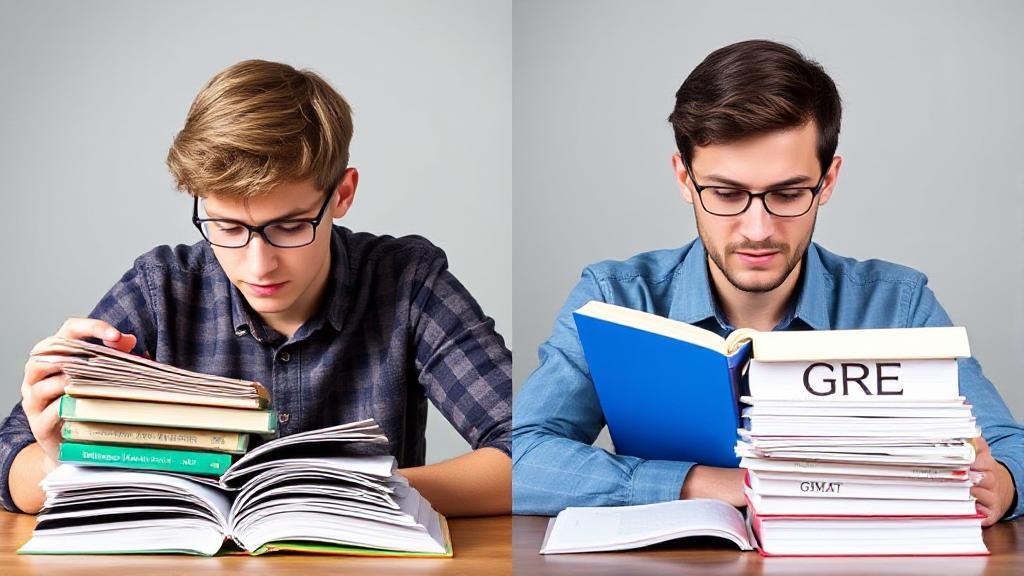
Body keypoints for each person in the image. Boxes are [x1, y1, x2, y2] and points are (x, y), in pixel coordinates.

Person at [511, 40, 1022, 526]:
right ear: (684, 178)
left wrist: (1004, 481)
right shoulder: (615, 297)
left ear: (829, 180)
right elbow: (523, 457)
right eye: (726, 194)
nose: (758, 230)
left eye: (789, 192)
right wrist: (707, 484)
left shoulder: (899, 304)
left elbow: (1010, 447)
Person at [0, 60, 512, 517]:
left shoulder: (406, 282)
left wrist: (359, 491)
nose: (257, 264)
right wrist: (58, 457)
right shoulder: (162, 288)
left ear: (343, 194)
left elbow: (525, 451)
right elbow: (9, 460)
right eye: (227, 228)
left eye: (289, 227)